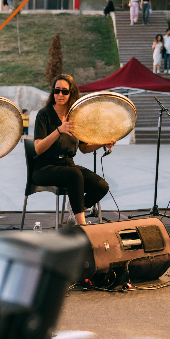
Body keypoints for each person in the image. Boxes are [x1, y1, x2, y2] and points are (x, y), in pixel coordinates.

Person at [33, 74, 111, 226]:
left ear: (71, 93)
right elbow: (38, 149)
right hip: (44, 167)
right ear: (53, 92)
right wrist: (58, 130)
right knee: (74, 174)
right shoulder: (44, 114)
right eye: (57, 91)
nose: (60, 95)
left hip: (67, 165)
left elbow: (84, 148)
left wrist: (102, 142)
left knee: (101, 186)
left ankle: (76, 208)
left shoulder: (76, 117)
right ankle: (82, 225)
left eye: (65, 91)